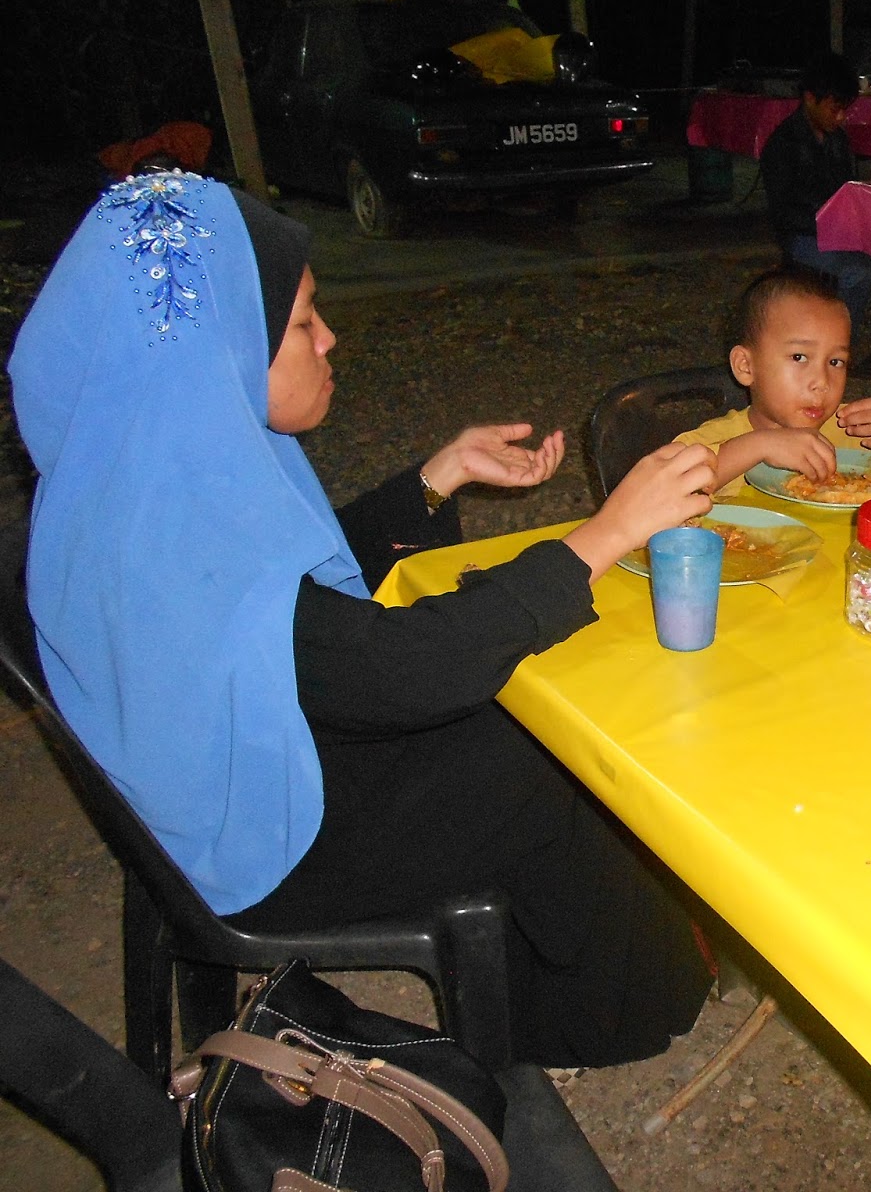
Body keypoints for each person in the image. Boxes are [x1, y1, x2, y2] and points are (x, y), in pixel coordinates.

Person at [9, 172, 718, 1069]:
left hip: (225, 771)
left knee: (511, 704)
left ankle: (606, 948)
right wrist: (605, 535)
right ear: (222, 350)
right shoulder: (179, 535)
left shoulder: (144, 466)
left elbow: (290, 599)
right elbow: (400, 671)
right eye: (303, 322)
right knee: (542, 752)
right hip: (261, 844)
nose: (329, 336)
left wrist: (435, 476)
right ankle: (587, 1018)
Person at [674, 267, 871, 495]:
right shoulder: (712, 443)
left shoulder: (852, 430)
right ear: (746, 366)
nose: (821, 382)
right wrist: (760, 445)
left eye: (835, 362)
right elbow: (664, 493)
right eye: (799, 357)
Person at [761, 51, 871, 370]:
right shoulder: (783, 144)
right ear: (810, 99)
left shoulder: (837, 140)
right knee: (859, 271)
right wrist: (837, 226)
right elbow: (785, 213)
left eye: (845, 109)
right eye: (835, 108)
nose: (841, 117)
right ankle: (839, 349)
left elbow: (849, 190)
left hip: (842, 229)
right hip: (804, 236)